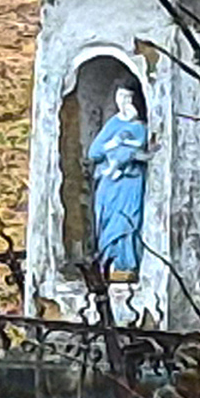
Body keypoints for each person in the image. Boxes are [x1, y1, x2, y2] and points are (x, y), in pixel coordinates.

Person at [87, 82, 152, 283]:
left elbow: (141, 150)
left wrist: (128, 152)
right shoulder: (114, 124)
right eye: (120, 97)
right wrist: (113, 143)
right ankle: (109, 261)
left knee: (127, 220)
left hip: (130, 181)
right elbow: (94, 152)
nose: (123, 102)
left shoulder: (140, 127)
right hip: (109, 183)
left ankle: (126, 264)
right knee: (107, 219)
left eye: (128, 98)